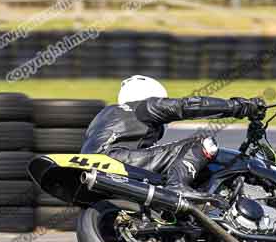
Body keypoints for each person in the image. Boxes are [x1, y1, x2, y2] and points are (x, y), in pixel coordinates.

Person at [81, 75, 266, 196]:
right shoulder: (144, 107)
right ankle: (178, 187)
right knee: (202, 142)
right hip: (119, 160)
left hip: (92, 168)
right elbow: (188, 106)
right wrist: (238, 107)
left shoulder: (104, 115)